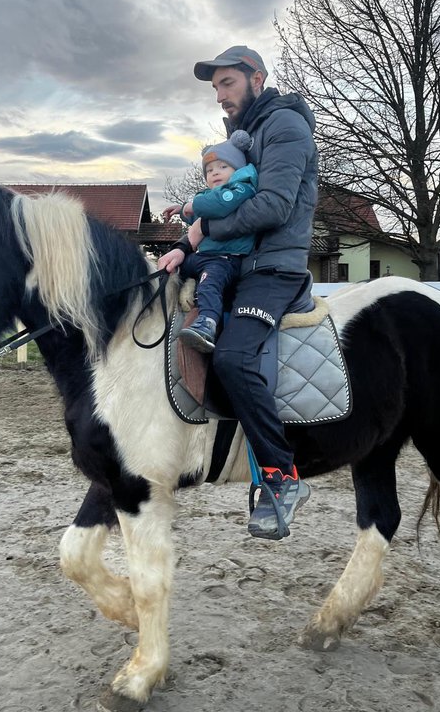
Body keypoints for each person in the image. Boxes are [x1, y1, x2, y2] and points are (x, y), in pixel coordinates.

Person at [158, 45, 318, 541]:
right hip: (238, 265)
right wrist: (186, 247)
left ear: (257, 78)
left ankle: (281, 476)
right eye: (215, 89)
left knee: (231, 358)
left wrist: (202, 222)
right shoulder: (246, 139)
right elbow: (226, 208)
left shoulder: (285, 126)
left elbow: (271, 206)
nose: (221, 97)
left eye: (228, 84)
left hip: (273, 268)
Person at [174, 130, 258, 353]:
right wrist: (181, 210)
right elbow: (197, 213)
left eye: (222, 167)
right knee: (174, 270)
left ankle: (207, 323)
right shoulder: (209, 196)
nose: (215, 173)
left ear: (237, 168)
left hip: (226, 259)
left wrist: (191, 205)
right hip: (205, 256)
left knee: (209, 284)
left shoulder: (241, 188)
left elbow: (219, 204)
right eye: (209, 170)